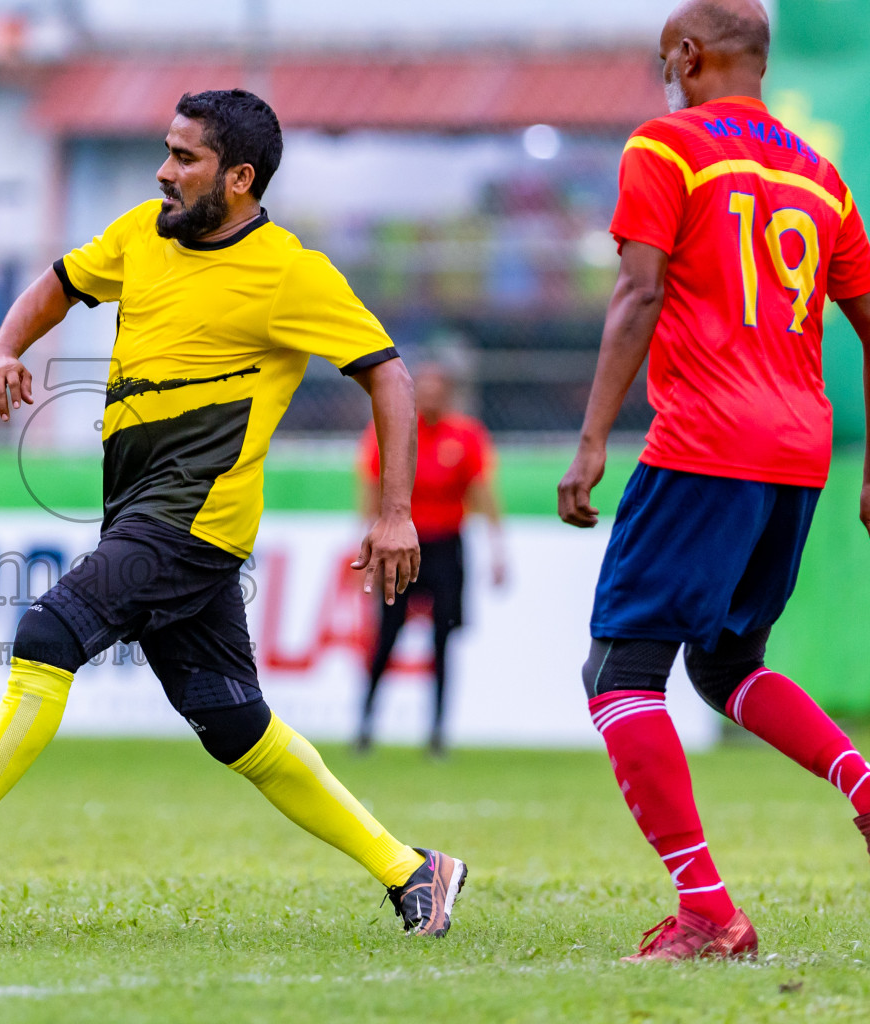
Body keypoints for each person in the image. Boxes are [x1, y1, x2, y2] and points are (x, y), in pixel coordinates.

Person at [0, 89, 468, 935]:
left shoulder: (292, 272)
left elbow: (388, 373)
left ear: (241, 178)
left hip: (191, 522)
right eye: (166, 150)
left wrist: (395, 511)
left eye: (186, 158)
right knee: (236, 727)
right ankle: (414, 870)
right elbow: (61, 283)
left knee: (46, 632)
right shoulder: (143, 233)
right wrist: (2, 348)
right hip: (143, 516)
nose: (163, 170)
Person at [558, 0, 870, 962]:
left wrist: (593, 438)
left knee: (620, 674)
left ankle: (706, 911)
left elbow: (640, 289)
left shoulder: (668, 146)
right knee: (726, 665)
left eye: (666, 58)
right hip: (797, 455)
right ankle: (865, 784)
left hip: (704, 443)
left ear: (690, 55)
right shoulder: (821, 175)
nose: (664, 73)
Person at [356, 361, 506, 756]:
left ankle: (437, 731)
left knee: (444, 638)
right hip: (396, 547)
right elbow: (371, 487)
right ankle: (365, 723)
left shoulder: (467, 436)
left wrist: (497, 547)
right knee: (387, 636)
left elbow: (482, 491)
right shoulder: (391, 431)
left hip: (445, 548)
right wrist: (365, 544)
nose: (431, 396)